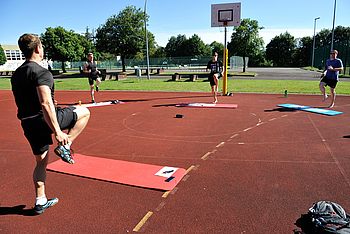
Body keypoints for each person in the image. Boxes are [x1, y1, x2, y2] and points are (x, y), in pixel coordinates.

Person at [11, 33, 90, 214]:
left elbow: (27, 99)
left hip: (28, 123)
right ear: (38, 48)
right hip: (44, 119)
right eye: (42, 46)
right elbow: (45, 102)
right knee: (85, 112)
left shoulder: (16, 75)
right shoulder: (41, 72)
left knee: (41, 163)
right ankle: (66, 145)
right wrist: (58, 132)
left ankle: (40, 201)